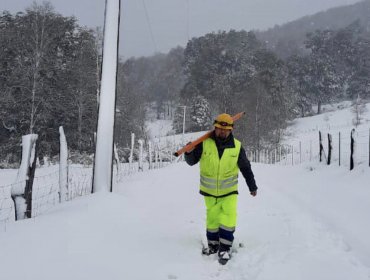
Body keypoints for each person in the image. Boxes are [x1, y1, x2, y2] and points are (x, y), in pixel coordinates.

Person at [184, 113, 258, 265]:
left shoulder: (237, 146)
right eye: (219, 129)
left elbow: (245, 167)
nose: (222, 132)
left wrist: (252, 186)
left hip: (229, 192)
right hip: (209, 192)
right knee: (212, 218)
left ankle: (224, 248)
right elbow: (191, 162)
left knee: (228, 218)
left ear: (231, 130)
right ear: (215, 128)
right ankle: (213, 245)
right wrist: (189, 151)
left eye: (226, 130)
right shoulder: (204, 143)